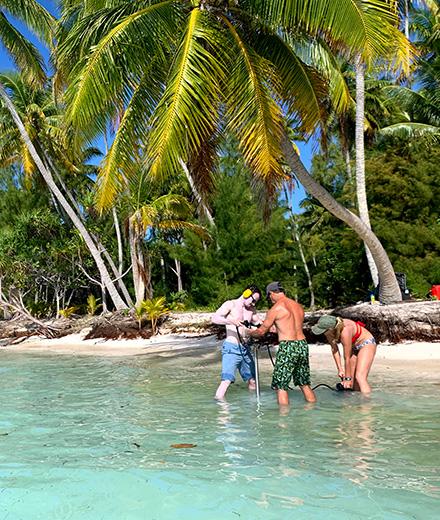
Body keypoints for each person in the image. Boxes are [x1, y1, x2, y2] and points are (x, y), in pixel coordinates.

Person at [247, 282, 316, 406]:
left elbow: (261, 331)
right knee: (304, 382)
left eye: (269, 297)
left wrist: (248, 332)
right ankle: (312, 410)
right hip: (302, 345)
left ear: (272, 293)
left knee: (281, 385)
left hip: (288, 347)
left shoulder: (276, 309)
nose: (270, 300)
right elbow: (290, 325)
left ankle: (283, 420)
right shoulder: (298, 306)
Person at [211, 285, 262, 400]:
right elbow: (214, 318)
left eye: (256, 302)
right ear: (246, 294)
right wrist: (231, 321)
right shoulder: (230, 304)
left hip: (245, 348)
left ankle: (252, 406)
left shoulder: (251, 310)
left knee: (253, 380)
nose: (253, 304)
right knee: (226, 381)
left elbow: (259, 323)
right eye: (253, 300)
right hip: (231, 348)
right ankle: (221, 410)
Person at [311, 315, 377, 394]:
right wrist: (340, 369)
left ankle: (367, 404)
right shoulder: (329, 332)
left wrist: (347, 379)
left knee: (360, 377)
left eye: (324, 331)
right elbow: (334, 349)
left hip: (366, 343)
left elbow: (347, 357)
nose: (323, 333)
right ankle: (356, 403)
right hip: (354, 347)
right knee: (353, 382)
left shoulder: (345, 331)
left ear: (331, 329)